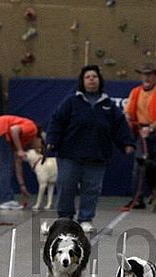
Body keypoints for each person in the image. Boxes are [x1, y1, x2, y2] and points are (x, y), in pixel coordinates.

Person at [46, 65, 135, 232]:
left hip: (97, 155)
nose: (92, 79)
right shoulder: (71, 101)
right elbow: (57, 121)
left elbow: (119, 126)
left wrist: (127, 143)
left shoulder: (108, 105)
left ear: (100, 80)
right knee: (66, 186)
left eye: (94, 76)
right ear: (82, 81)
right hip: (70, 155)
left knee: (92, 189)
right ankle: (65, 218)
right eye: (88, 77)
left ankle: (85, 219)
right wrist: (52, 140)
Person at [123, 62, 156, 209]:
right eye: (144, 74)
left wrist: (151, 128)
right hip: (141, 133)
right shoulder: (135, 92)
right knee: (139, 166)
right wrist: (128, 120)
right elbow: (127, 112)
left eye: (150, 74)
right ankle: (137, 199)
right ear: (141, 76)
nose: (147, 77)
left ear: (154, 76)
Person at [0, 115, 42, 210]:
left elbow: (17, 163)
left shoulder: (20, 140)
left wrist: (22, 186)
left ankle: (1, 199)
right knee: (6, 165)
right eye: (40, 144)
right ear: (39, 138)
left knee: (5, 165)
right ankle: (6, 200)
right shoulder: (32, 128)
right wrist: (19, 150)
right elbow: (14, 129)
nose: (38, 148)